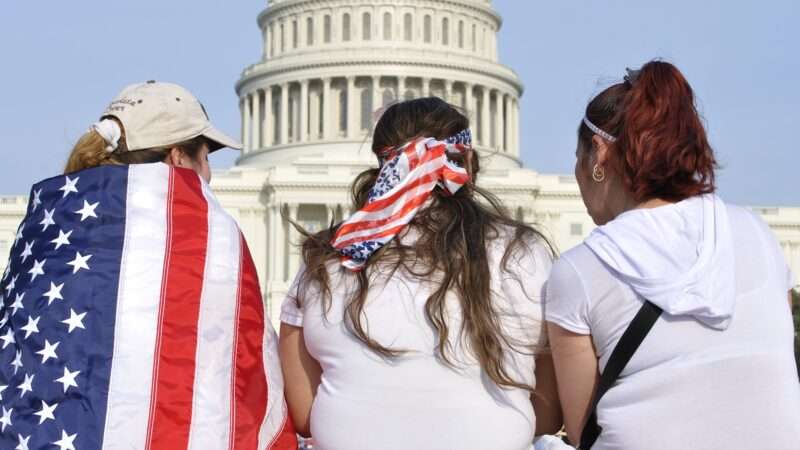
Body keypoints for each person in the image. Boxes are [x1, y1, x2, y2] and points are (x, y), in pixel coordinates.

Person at [0, 81, 297, 449]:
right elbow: (245, 370)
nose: (208, 174)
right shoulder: (209, 239)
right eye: (205, 157)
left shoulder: (44, 228)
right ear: (177, 157)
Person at [279, 97, 562, 450]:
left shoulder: (328, 258)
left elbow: (303, 410)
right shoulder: (525, 252)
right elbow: (549, 414)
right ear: (467, 161)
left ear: (383, 165)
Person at [546, 60, 800, 449]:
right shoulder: (757, 233)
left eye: (577, 156)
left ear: (598, 154)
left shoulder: (580, 270)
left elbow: (583, 430)